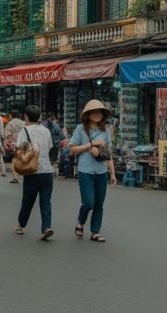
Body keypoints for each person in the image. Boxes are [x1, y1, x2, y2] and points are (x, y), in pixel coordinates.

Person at [69, 100, 117, 243]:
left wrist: (112, 173)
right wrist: (90, 144)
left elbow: (108, 154)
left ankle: (95, 232)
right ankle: (80, 222)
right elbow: (72, 149)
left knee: (99, 204)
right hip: (85, 171)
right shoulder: (80, 129)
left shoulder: (105, 131)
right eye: (94, 112)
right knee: (88, 203)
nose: (97, 114)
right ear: (88, 114)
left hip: (101, 172)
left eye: (100, 112)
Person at [14, 105, 55, 240]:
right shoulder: (46, 130)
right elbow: (49, 148)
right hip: (47, 171)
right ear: (39, 117)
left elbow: (19, 150)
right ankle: (46, 227)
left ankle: (20, 225)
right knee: (46, 202)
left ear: (25, 116)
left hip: (32, 171)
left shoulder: (24, 131)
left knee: (27, 200)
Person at [4, 110, 25, 184]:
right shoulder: (23, 123)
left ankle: (15, 177)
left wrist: (7, 144)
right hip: (23, 143)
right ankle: (22, 174)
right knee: (22, 159)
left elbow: (8, 135)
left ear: (11, 115)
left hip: (14, 144)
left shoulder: (10, 124)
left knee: (14, 160)